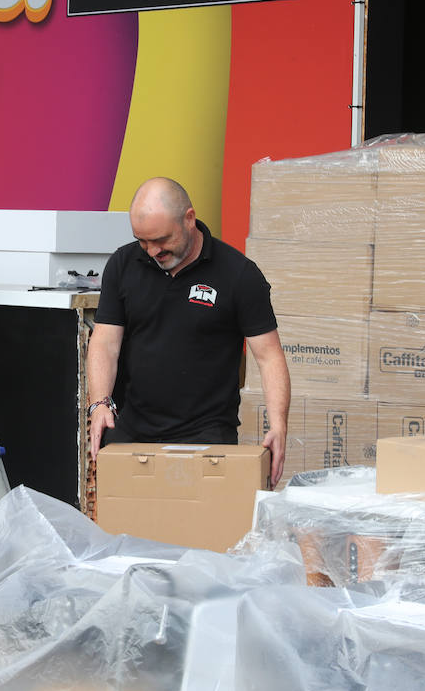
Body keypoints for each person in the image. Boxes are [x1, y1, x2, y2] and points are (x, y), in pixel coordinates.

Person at [87, 177, 291, 486]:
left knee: (197, 533)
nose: (152, 251)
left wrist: (278, 425)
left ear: (190, 219)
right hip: (132, 434)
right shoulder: (122, 265)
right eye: (143, 241)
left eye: (162, 240)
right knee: (127, 531)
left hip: (206, 437)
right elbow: (105, 343)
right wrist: (99, 404)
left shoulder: (238, 275)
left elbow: (269, 356)